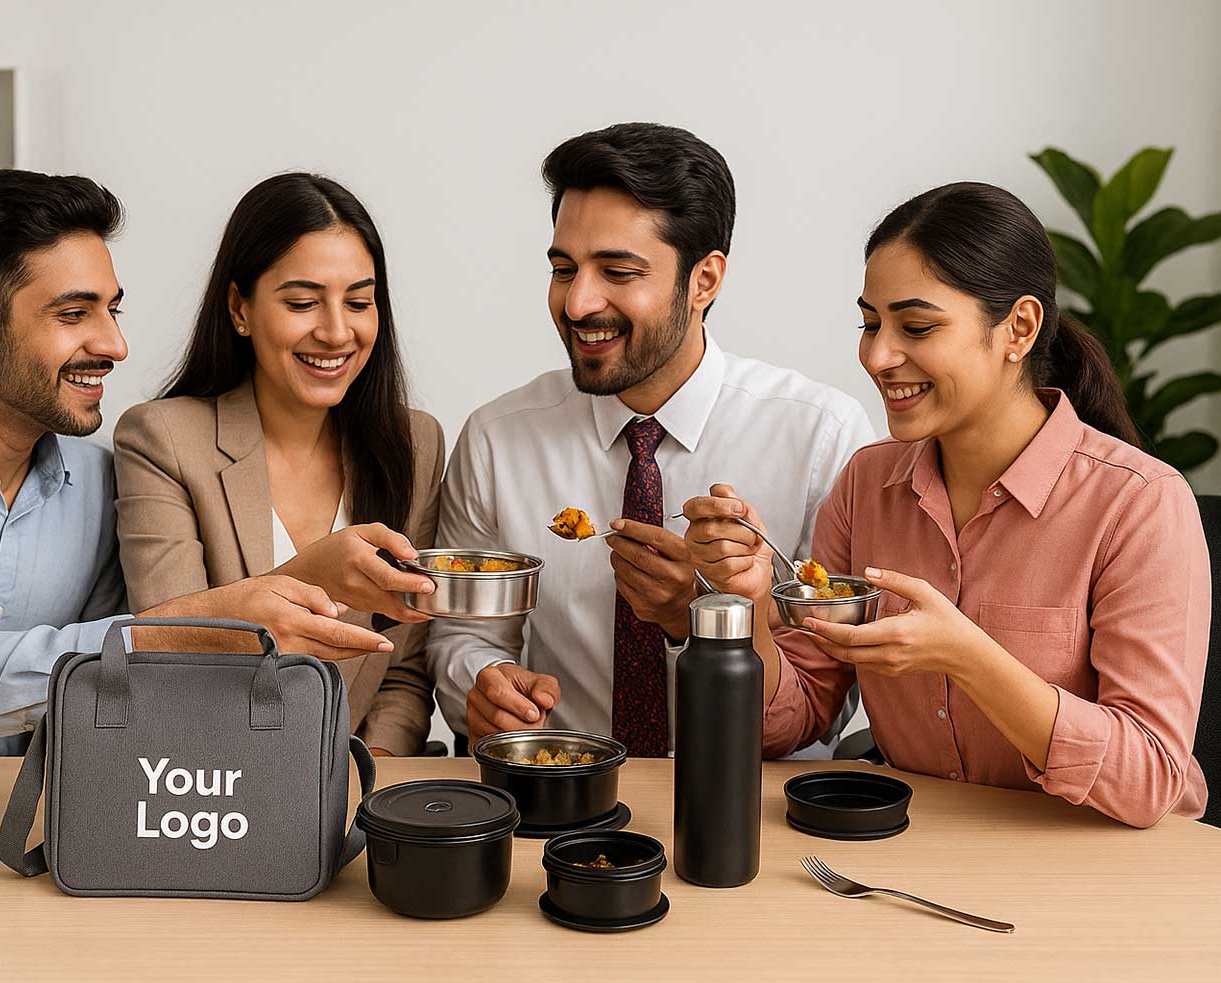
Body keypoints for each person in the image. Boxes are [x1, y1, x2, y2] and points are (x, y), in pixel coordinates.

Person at [0, 170, 390, 757]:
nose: (114, 344)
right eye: (74, 314)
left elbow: (109, 715)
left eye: (112, 310)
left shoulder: (99, 482)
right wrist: (176, 634)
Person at [686, 182, 1209, 827]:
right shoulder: (865, 485)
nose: (878, 356)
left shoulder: (1140, 503)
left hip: (1103, 870)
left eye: (918, 326)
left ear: (1018, 328)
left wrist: (966, 655)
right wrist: (756, 603)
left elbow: (1151, 777)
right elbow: (792, 723)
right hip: (923, 853)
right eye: (870, 323)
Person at [429, 123, 875, 755]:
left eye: (617, 271)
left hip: (759, 813)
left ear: (704, 281)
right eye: (564, 269)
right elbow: (463, 636)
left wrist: (699, 617)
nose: (579, 302)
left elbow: (825, 701)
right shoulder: (498, 440)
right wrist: (484, 684)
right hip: (560, 803)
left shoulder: (820, 437)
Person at [113, 174, 442, 757]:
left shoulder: (413, 442)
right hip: (211, 790)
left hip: (352, 798)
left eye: (360, 302)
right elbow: (172, 651)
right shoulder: (162, 438)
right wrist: (317, 572)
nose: (337, 331)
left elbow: (404, 668)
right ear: (240, 308)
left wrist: (370, 776)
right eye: (302, 302)